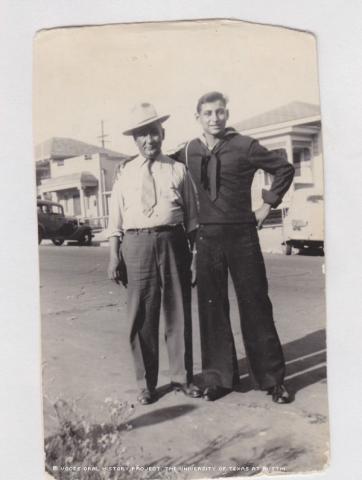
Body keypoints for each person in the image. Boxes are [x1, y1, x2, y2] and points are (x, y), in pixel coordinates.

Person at [175, 92, 295, 403]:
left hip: (242, 234)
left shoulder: (245, 145)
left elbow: (284, 168)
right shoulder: (190, 150)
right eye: (208, 113)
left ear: (227, 114)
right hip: (207, 237)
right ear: (198, 117)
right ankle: (218, 379)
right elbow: (166, 166)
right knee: (212, 308)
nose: (215, 118)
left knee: (255, 305)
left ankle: (272, 380)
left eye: (220, 112)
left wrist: (267, 206)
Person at [107, 102, 201, 405]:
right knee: (141, 316)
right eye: (143, 135)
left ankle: (181, 377)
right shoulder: (124, 174)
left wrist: (196, 255)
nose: (150, 140)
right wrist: (113, 256)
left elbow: (192, 221)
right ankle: (145, 383)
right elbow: (115, 223)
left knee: (178, 312)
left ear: (163, 134)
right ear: (135, 140)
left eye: (155, 133)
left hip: (173, 241)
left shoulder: (177, 170)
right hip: (136, 245)